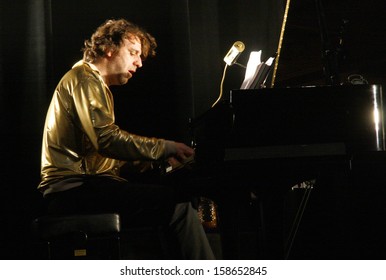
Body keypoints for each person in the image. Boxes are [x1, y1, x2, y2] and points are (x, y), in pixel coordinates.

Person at [37, 18, 215, 260]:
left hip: (85, 186)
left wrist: (159, 161)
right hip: (74, 192)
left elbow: (101, 158)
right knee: (178, 204)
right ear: (109, 48)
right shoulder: (85, 78)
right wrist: (164, 147)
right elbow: (107, 140)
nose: (139, 63)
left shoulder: (92, 82)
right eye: (133, 53)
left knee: (166, 201)